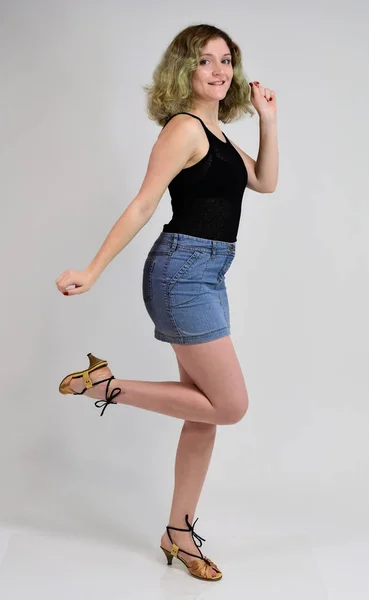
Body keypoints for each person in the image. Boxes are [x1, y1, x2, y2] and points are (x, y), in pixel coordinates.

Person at [56, 24, 278, 581]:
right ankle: (104, 385)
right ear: (184, 71)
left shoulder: (219, 132)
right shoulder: (184, 129)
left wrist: (269, 121)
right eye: (206, 61)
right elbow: (142, 205)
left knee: (201, 414)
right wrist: (92, 269)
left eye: (226, 60)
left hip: (209, 274)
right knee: (229, 406)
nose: (220, 71)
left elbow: (266, 182)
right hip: (182, 272)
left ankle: (179, 532)